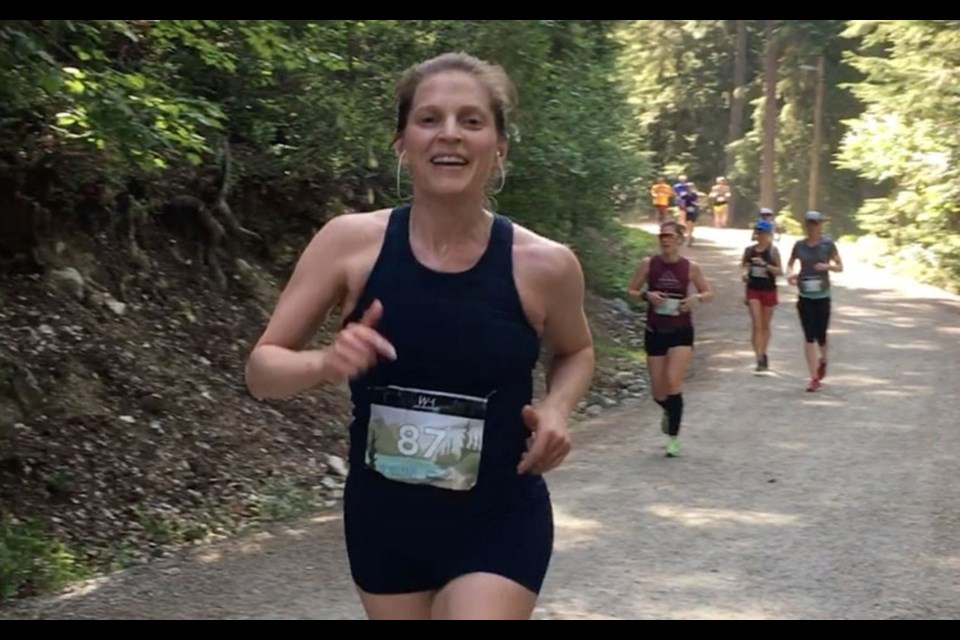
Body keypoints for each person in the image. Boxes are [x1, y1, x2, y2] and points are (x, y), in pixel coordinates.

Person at [244, 52, 596, 620]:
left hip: (499, 515)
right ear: (401, 141)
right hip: (385, 519)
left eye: (472, 120)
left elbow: (576, 350)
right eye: (429, 119)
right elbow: (262, 372)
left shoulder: (545, 265)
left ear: (500, 145)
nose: (449, 135)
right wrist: (325, 364)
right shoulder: (348, 243)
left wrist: (556, 408)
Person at [627, 221, 713, 457]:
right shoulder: (648, 264)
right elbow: (631, 292)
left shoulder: (690, 268)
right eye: (662, 236)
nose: (665, 240)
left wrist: (694, 299)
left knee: (673, 380)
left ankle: (673, 439)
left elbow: (708, 293)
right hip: (655, 330)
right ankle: (670, 410)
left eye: (670, 236)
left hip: (681, 330)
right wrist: (647, 295)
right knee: (658, 392)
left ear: (679, 240)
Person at [786, 210, 843, 392]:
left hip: (822, 296)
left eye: (815, 224)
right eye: (809, 224)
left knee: (821, 335)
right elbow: (790, 263)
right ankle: (813, 377)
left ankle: (823, 360)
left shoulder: (828, 245)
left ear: (820, 225)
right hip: (805, 296)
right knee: (809, 336)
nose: (812, 227)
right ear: (806, 225)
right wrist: (791, 275)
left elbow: (840, 266)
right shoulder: (799, 245)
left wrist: (827, 266)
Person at [742, 219, 782, 372]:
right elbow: (744, 267)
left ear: (768, 234)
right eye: (758, 232)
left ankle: (764, 352)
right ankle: (758, 358)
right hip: (753, 289)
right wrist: (745, 274)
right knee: (757, 324)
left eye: (762, 232)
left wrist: (766, 266)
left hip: (769, 290)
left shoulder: (773, 251)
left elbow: (780, 271)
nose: (759, 235)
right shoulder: (749, 251)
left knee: (765, 325)